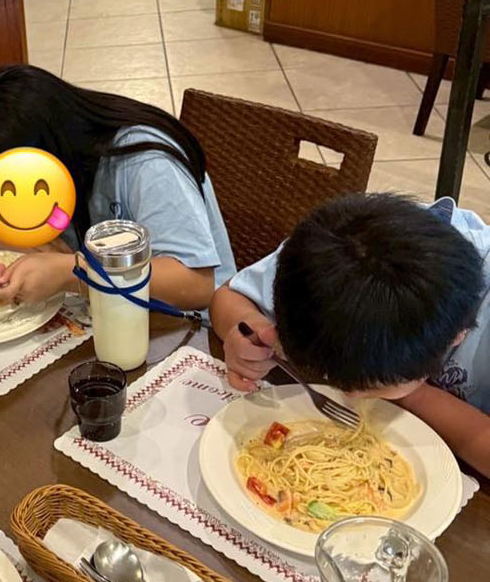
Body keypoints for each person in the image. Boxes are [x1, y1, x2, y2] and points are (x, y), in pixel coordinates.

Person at [0, 65, 236, 312]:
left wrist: (73, 273)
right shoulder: (6, 146)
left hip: (178, 329)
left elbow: (195, 285)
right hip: (89, 314)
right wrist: (11, 240)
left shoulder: (143, 162)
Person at [210, 191, 490, 476]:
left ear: (459, 334)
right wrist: (249, 328)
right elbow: (228, 297)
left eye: (362, 387)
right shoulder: (340, 247)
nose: (350, 394)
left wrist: (414, 394)